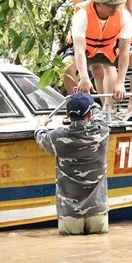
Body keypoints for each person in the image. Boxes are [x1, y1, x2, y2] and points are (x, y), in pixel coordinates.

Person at [34, 92, 110, 235]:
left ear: (67, 114)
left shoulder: (57, 137)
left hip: (70, 215)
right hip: (98, 212)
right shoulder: (101, 132)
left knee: (70, 254)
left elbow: (40, 136)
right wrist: (86, 96)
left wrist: (41, 123)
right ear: (89, 116)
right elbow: (97, 111)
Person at [71, 0, 132, 113]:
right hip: (87, 50)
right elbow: (79, 50)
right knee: (66, 66)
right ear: (98, 3)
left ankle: (110, 108)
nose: (115, 8)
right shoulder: (82, 14)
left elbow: (125, 52)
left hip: (108, 49)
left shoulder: (124, 15)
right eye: (111, 4)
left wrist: (120, 82)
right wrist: (84, 77)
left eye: (117, 3)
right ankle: (78, 108)